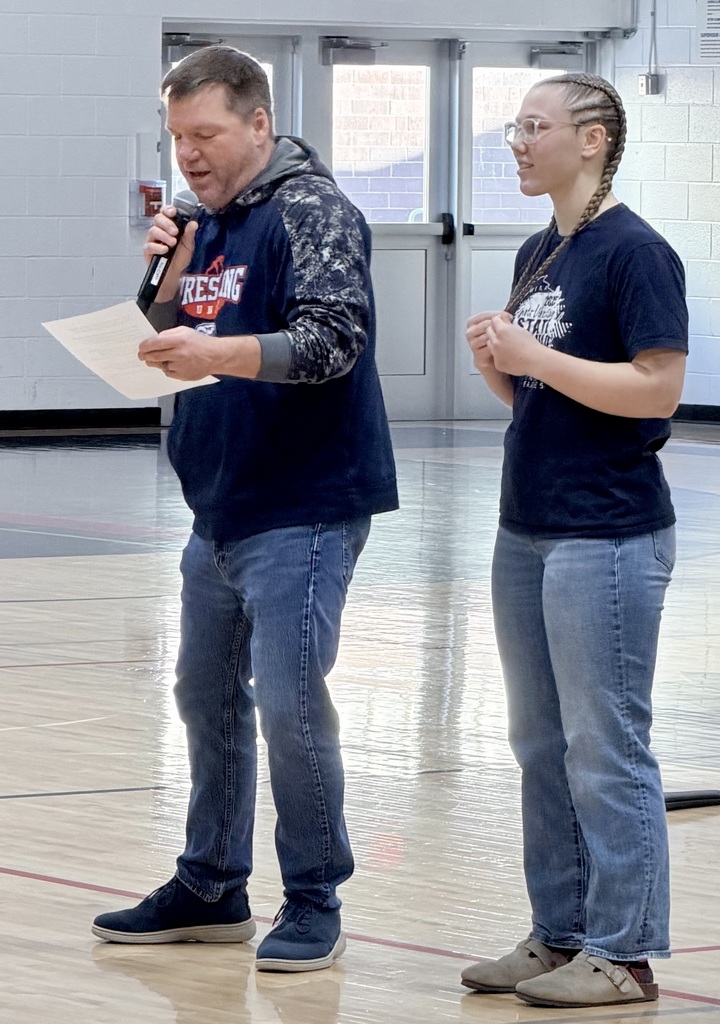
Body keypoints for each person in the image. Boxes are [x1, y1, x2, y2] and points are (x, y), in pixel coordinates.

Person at [91, 44, 398, 973]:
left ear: (259, 124)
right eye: (177, 135)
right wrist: (167, 288)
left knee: (291, 706)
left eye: (207, 134)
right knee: (204, 694)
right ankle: (213, 882)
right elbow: (166, 343)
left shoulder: (313, 210)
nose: (188, 153)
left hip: (302, 503)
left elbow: (331, 340)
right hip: (219, 503)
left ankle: (314, 897)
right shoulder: (204, 225)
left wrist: (213, 353)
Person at [460, 73, 687, 1008]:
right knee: (540, 744)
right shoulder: (540, 249)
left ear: (592, 139)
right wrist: (502, 371)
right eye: (515, 127)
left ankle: (623, 953)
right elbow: (546, 398)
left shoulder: (637, 253)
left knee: (605, 744)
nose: (518, 142)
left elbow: (656, 389)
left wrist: (535, 356)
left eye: (534, 126)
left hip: (608, 532)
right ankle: (558, 936)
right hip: (531, 526)